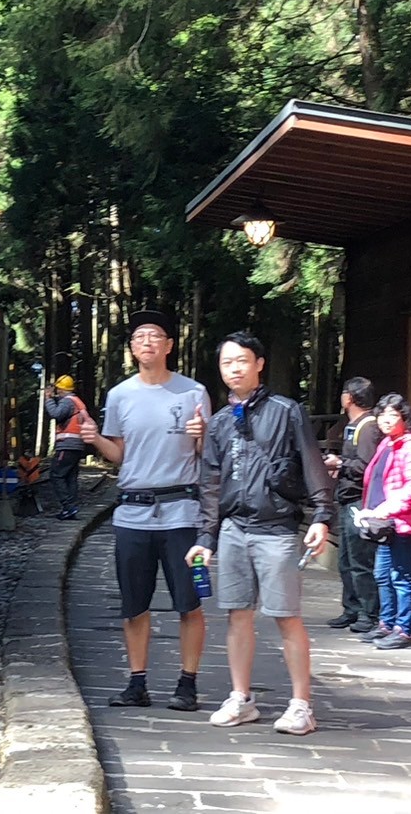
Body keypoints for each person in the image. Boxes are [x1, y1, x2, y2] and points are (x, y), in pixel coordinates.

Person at [186, 332, 335, 734]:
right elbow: (211, 482)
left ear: (259, 364)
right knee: (237, 615)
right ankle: (241, 698)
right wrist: (205, 538)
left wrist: (322, 515)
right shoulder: (218, 423)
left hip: (276, 529)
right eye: (226, 363)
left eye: (241, 361)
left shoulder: (286, 411)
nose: (234, 369)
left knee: (286, 616)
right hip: (234, 528)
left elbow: (310, 460)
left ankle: (301, 704)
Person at [81, 309, 212, 712]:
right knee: (133, 605)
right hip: (132, 514)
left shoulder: (193, 393)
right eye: (139, 337)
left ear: (170, 346)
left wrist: (203, 436)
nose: (147, 342)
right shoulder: (119, 395)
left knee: (189, 602)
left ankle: (187, 683)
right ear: (132, 348)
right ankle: (137, 683)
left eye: (155, 336)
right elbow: (120, 456)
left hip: (183, 514)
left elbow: (210, 458)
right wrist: (94, 439)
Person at [355, 392, 411, 650]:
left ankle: (405, 631)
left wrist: (388, 508)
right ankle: (387, 624)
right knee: (382, 574)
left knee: (401, 576)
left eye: (393, 414)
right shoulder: (388, 443)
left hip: (405, 521)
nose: (386, 419)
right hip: (387, 521)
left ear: (405, 418)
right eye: (382, 414)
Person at [324, 377, 382, 633]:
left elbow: (366, 465)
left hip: (360, 500)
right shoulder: (355, 425)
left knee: (360, 561)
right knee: (346, 560)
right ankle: (352, 609)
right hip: (347, 498)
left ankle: (368, 613)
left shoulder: (368, 427)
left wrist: (340, 464)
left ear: (349, 398)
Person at [44, 375, 90, 520]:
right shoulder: (77, 402)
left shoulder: (67, 402)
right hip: (77, 445)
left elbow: (56, 414)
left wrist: (48, 399)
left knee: (56, 475)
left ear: (61, 388)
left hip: (67, 445)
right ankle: (71, 508)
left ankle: (68, 507)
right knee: (70, 477)